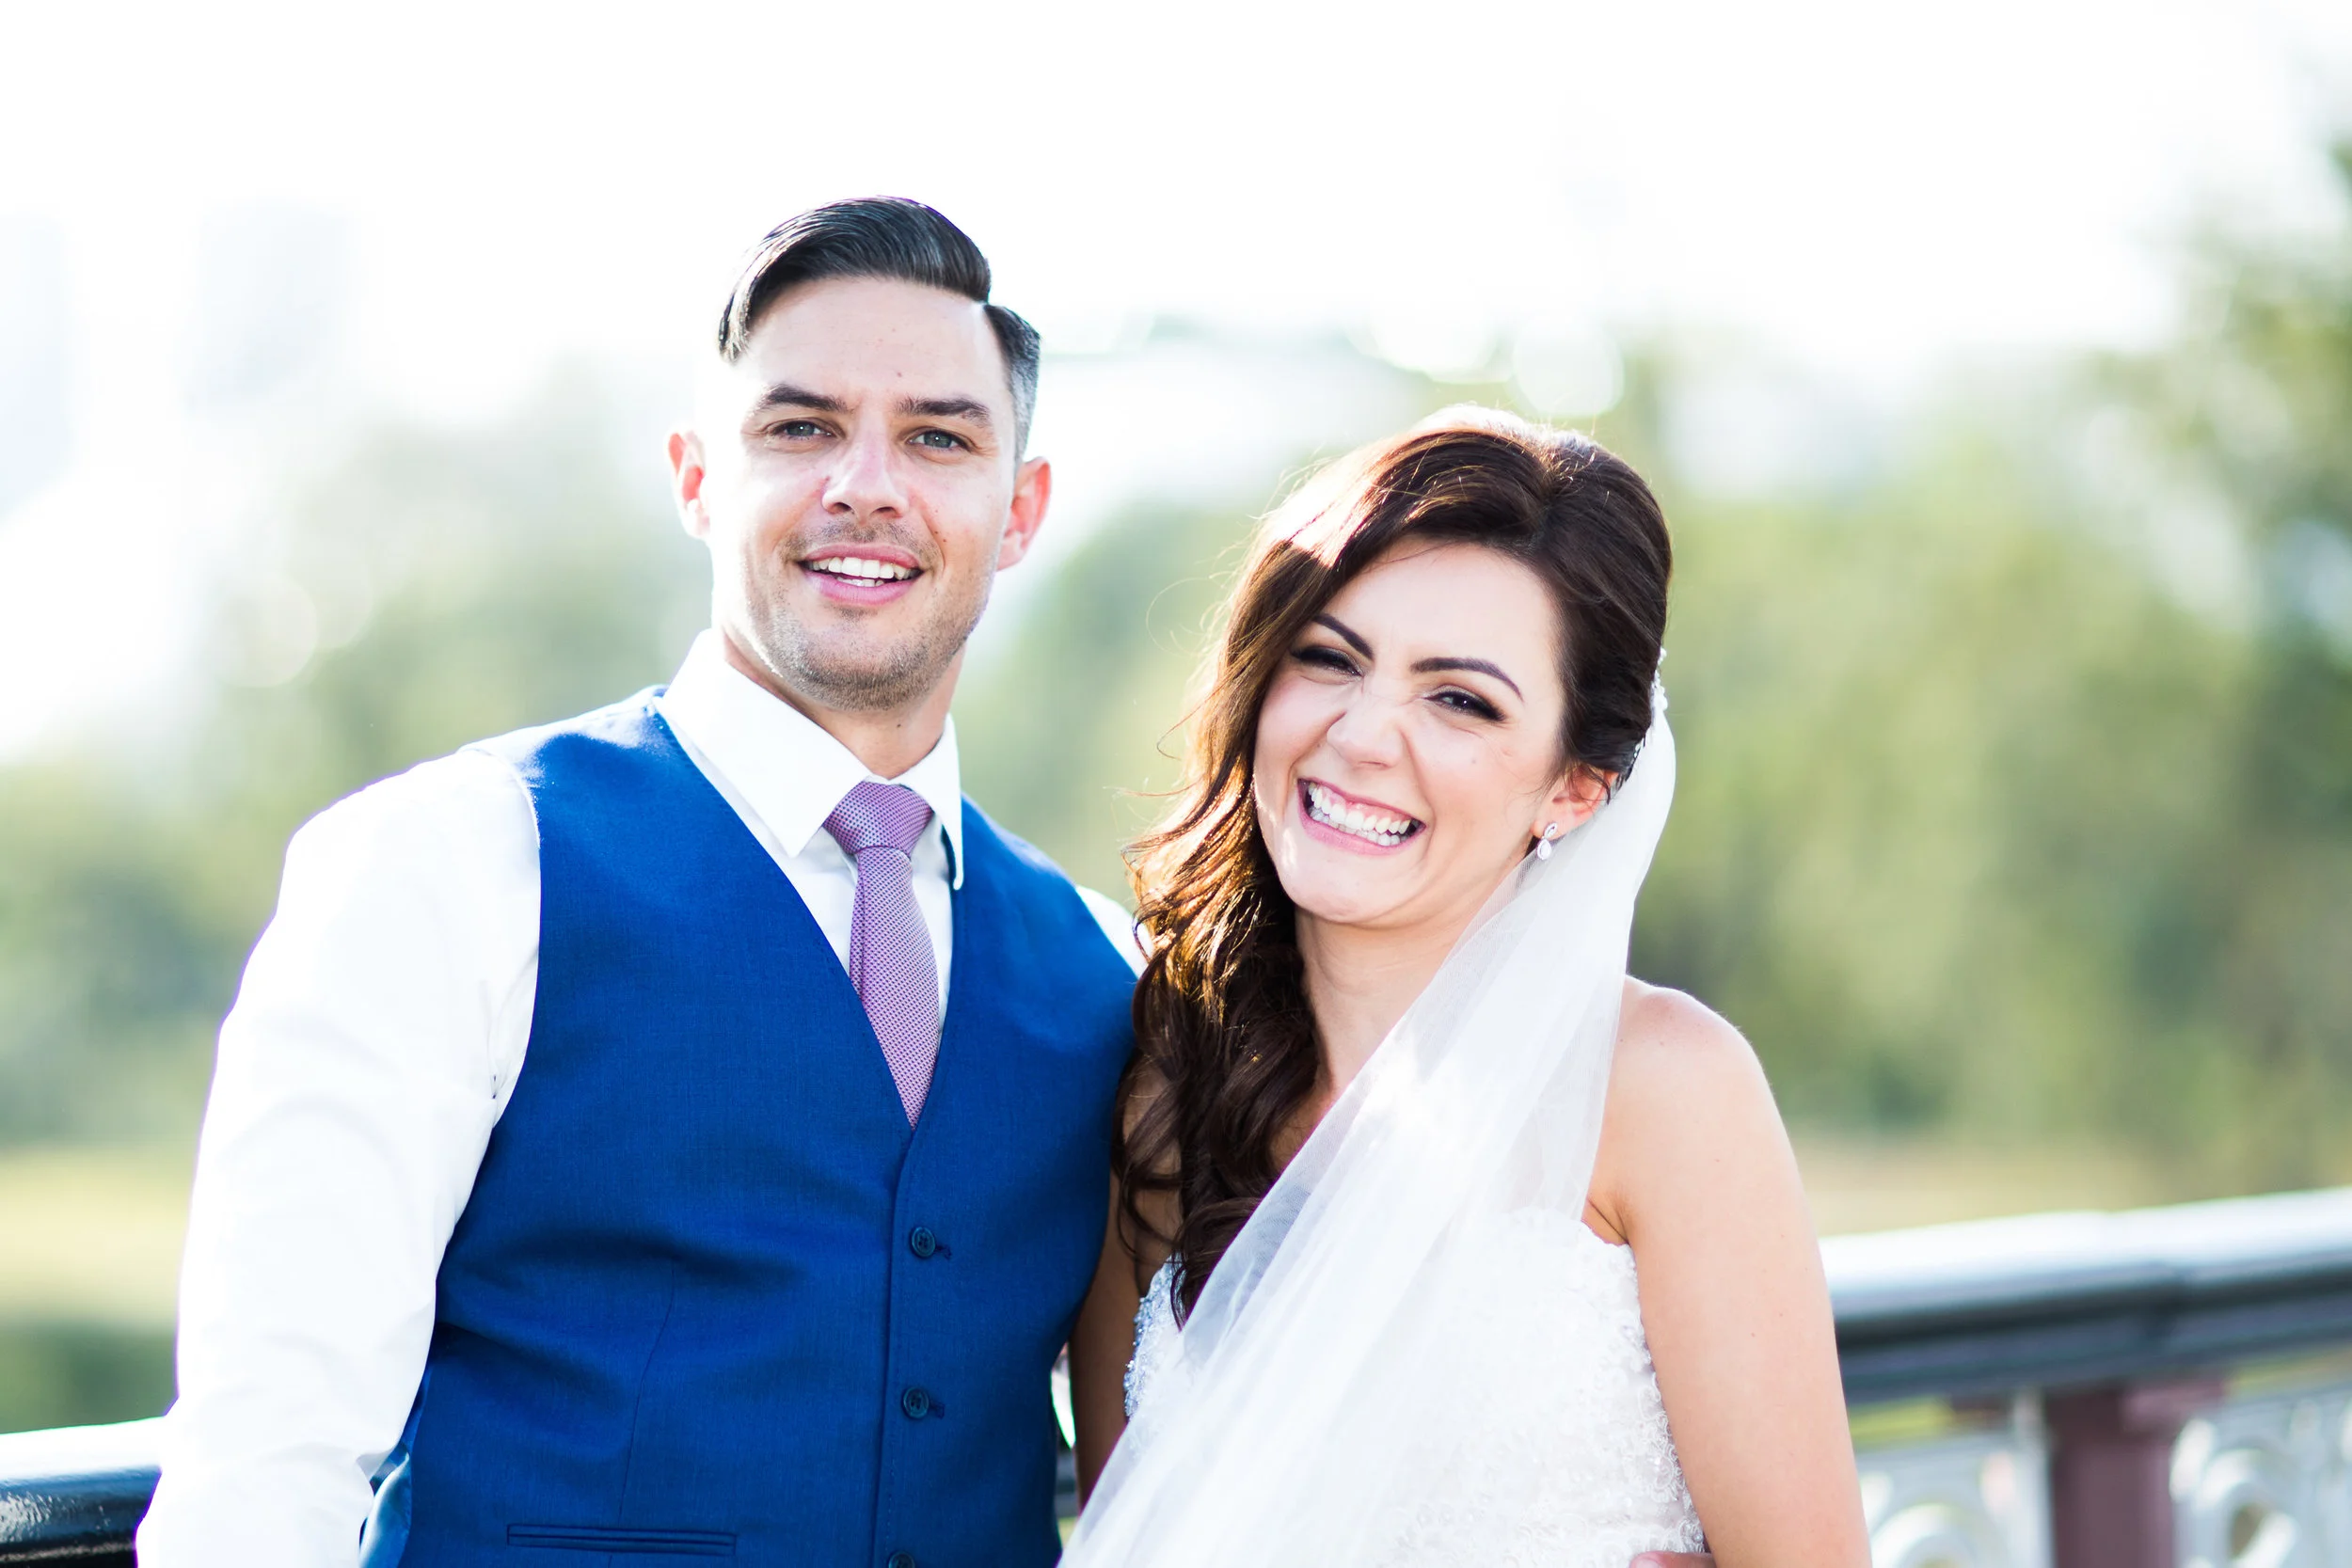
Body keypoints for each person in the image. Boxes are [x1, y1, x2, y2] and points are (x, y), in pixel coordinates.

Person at [138, 198, 1142, 1568]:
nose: (866, 484)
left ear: (1017, 510)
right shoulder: (452, 867)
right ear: (696, 478)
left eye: (939, 438)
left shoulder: (1102, 968)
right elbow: (265, 1469)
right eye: (800, 427)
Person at [1063, 412, 1870, 1567]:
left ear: (1575, 786)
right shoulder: (1168, 1088)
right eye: (1328, 657)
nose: (1362, 735)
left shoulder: (1661, 1089)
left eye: (1460, 700)